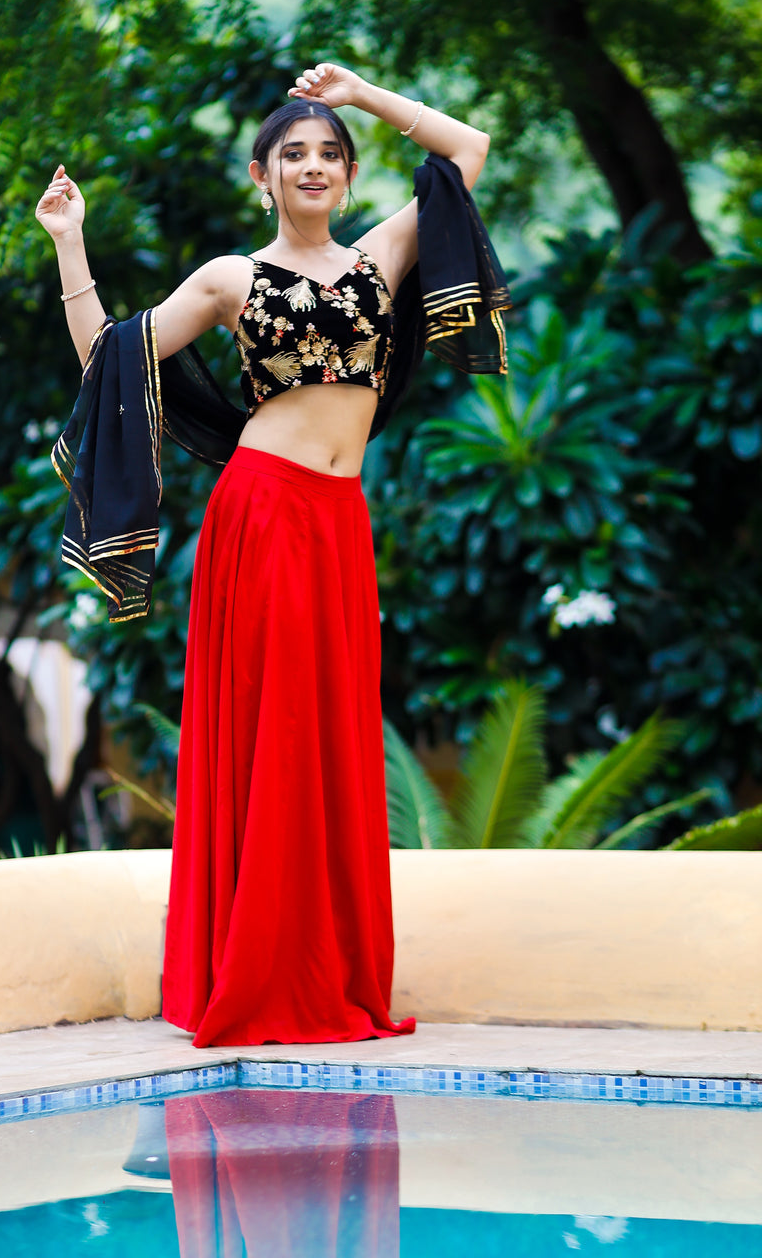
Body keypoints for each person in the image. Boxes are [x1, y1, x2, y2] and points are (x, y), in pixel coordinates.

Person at [36, 63, 509, 1047]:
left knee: (332, 739)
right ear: (261, 175)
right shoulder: (228, 279)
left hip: (339, 521)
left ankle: (325, 973)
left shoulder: (384, 255)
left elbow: (465, 152)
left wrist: (360, 92)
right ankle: (257, 975)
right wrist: (68, 243)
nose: (312, 165)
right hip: (262, 515)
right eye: (292, 152)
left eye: (328, 153)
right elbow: (110, 360)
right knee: (278, 736)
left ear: (345, 172)